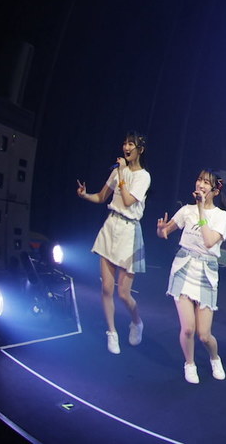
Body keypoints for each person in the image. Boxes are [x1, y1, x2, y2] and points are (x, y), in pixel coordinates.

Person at [156, 169, 226, 384]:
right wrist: (161, 230)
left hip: (206, 272)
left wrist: (200, 209)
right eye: (199, 180)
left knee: (204, 335)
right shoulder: (186, 211)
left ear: (215, 191)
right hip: (184, 266)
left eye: (206, 182)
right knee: (188, 328)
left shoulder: (222, 217)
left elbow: (209, 242)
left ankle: (214, 358)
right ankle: (189, 363)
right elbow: (165, 233)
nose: (201, 184)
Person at [77, 131, 150, 355]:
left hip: (129, 231)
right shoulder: (118, 172)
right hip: (111, 226)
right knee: (107, 287)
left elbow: (127, 201)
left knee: (123, 293)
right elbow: (102, 197)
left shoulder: (143, 176)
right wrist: (84, 195)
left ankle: (136, 321)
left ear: (140, 150)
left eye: (131, 144)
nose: (126, 147)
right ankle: (112, 332)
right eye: (125, 143)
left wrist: (121, 174)